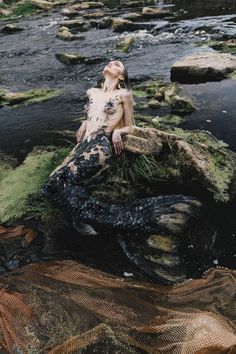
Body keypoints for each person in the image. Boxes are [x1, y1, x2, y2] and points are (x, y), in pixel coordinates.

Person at [42, 60, 135, 234]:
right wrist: (85, 121)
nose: (110, 63)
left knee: (65, 179)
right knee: (48, 187)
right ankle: (83, 212)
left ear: (120, 76)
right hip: (84, 143)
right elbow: (94, 113)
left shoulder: (124, 94)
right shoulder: (92, 92)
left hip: (100, 144)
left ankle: (95, 218)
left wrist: (118, 132)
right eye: (109, 63)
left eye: (116, 64)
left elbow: (130, 126)